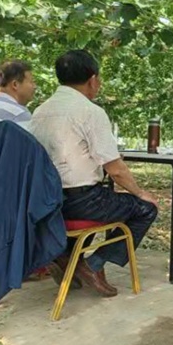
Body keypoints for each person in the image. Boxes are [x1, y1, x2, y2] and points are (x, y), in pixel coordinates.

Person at [31, 50, 159, 297]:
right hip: (82, 201)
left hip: (47, 202)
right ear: (92, 80)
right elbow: (115, 169)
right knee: (145, 209)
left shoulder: (39, 112)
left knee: (105, 200)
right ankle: (93, 264)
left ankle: (65, 257)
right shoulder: (89, 111)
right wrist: (140, 192)